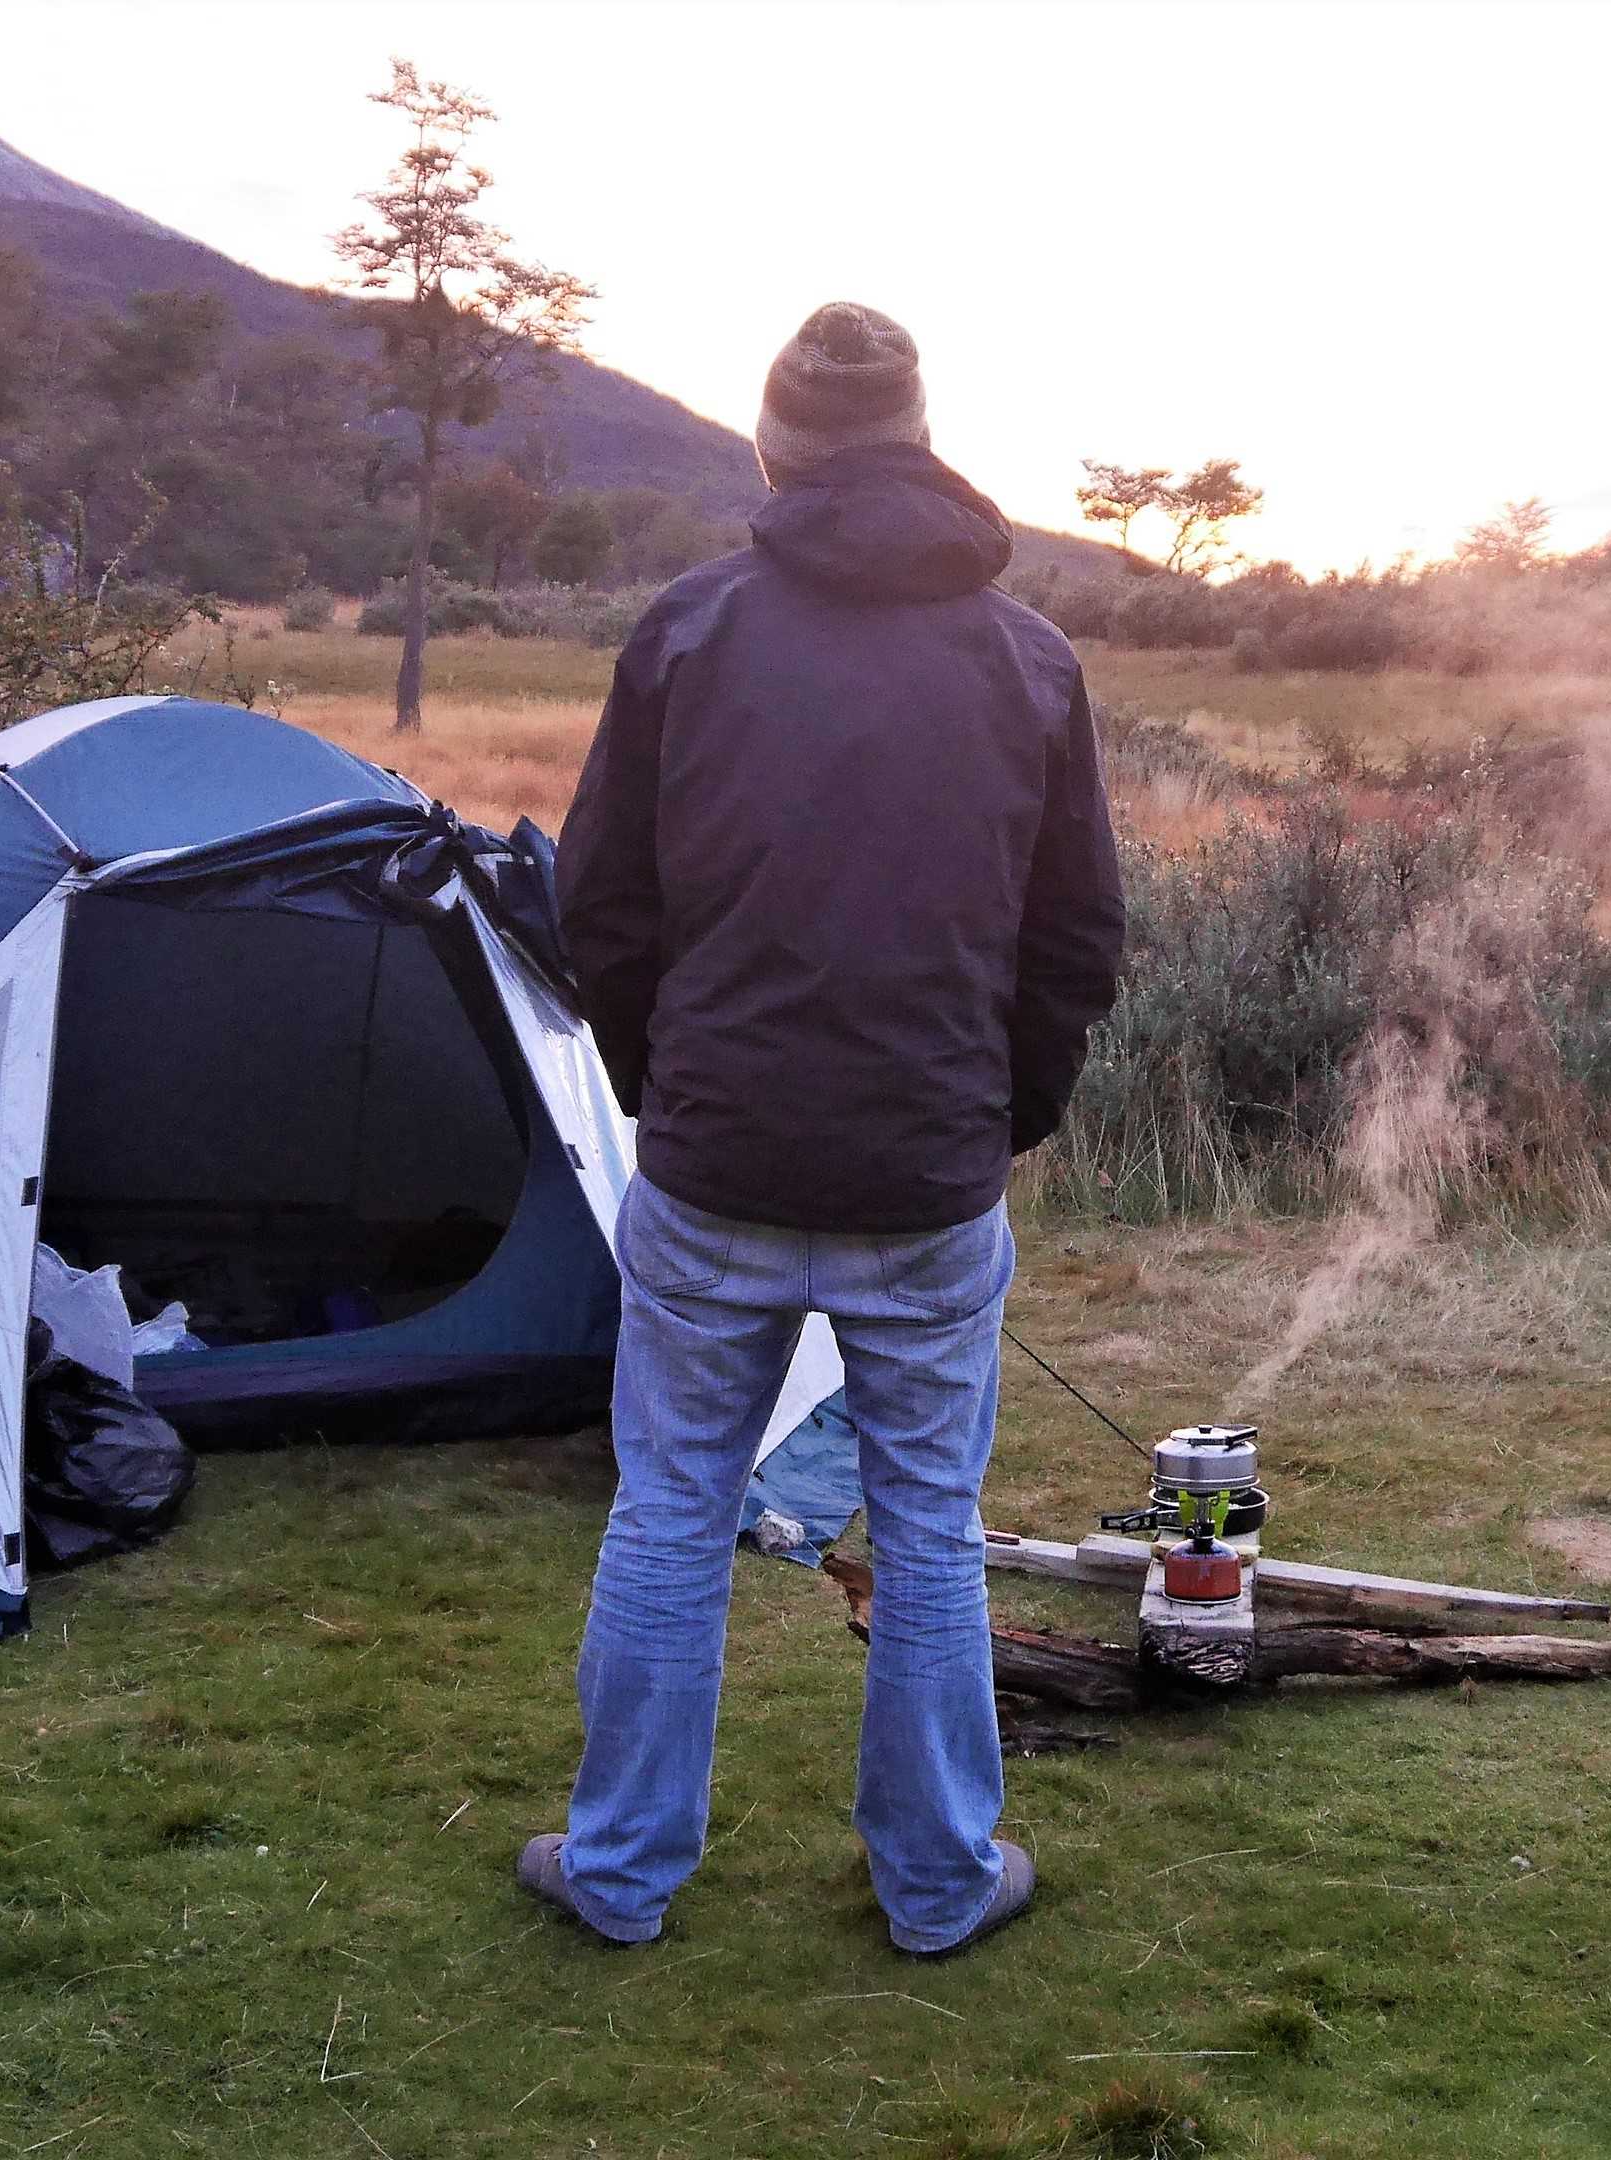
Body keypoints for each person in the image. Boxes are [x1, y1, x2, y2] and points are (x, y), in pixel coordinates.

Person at [520, 301, 1126, 1955]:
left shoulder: (689, 633)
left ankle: (620, 1874)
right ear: (920, 439)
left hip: (715, 1165)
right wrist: (998, 1120)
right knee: (931, 1529)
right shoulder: (1029, 661)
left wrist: (666, 1086)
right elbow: (1077, 943)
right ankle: (937, 1885)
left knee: (670, 1508)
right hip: (927, 1182)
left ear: (773, 448)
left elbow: (599, 905)